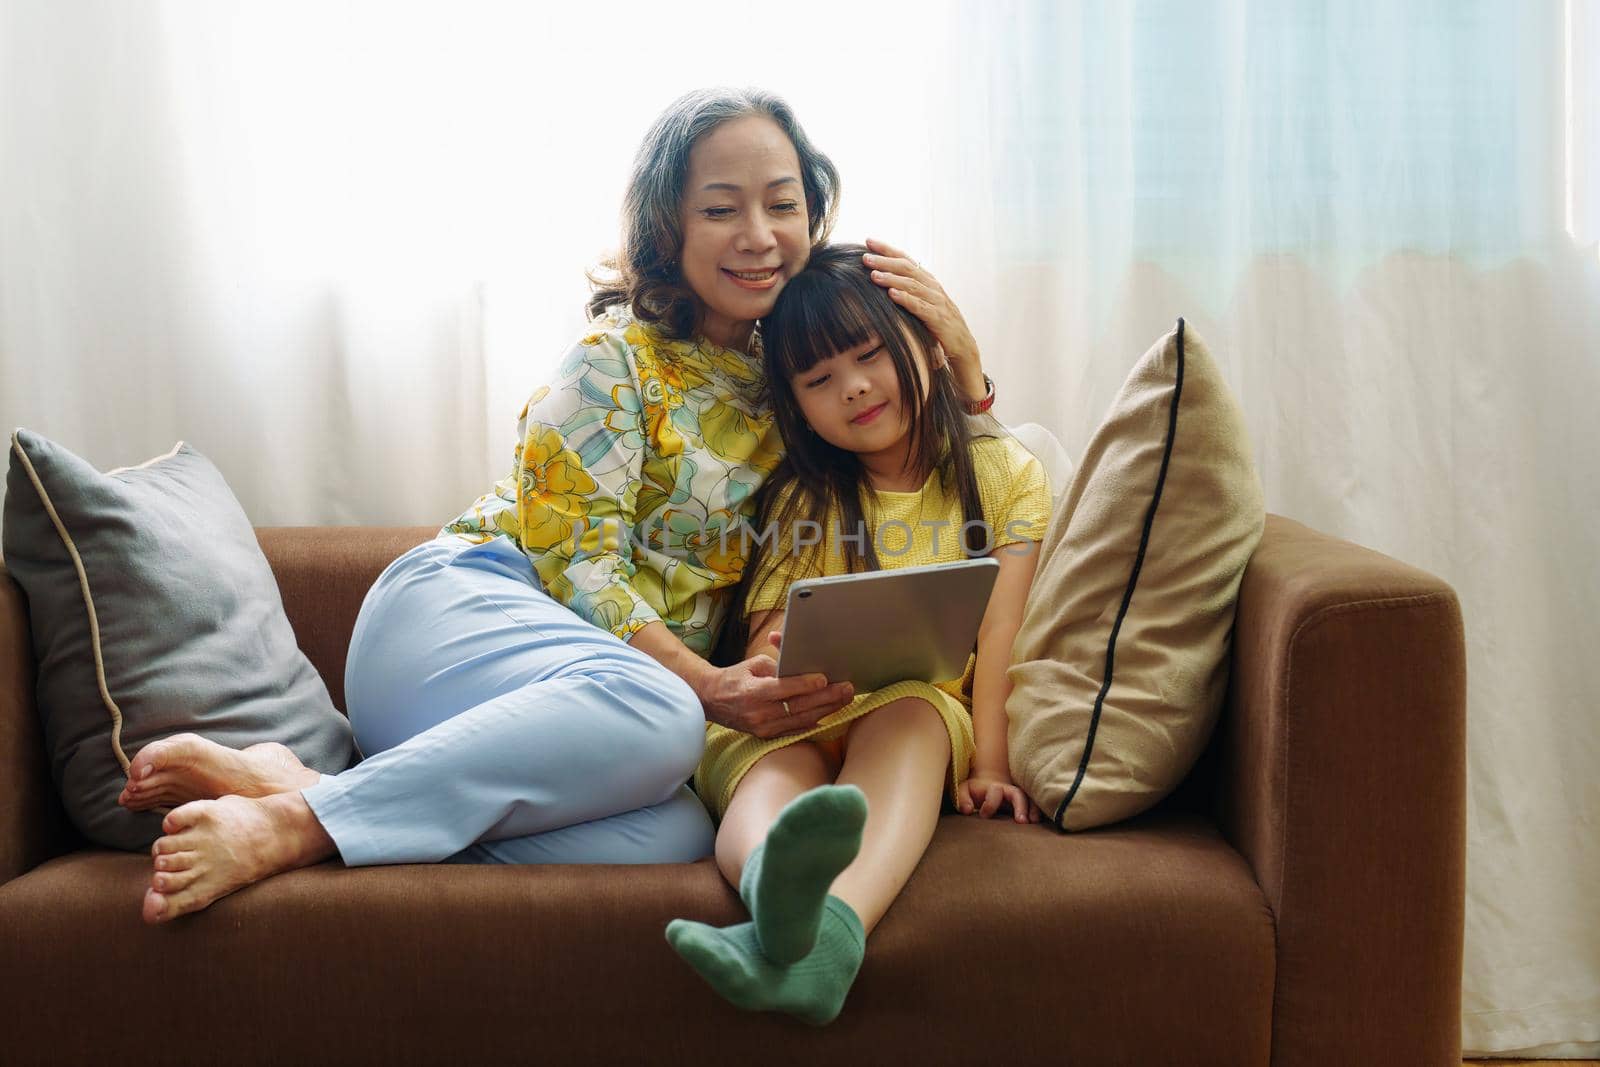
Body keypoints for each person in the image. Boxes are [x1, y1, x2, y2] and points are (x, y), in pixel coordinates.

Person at [114, 87, 997, 924]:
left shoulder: (800, 382)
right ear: (668, 229)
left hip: (584, 708)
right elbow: (580, 565)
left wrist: (962, 363)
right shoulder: (612, 361)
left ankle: (308, 789)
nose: (759, 234)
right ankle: (291, 827)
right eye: (722, 208)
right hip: (462, 616)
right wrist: (707, 685)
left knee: (674, 834)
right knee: (665, 718)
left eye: (784, 204)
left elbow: (933, 474)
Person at [662, 243, 1048, 1026]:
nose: (856, 387)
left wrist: (996, 767)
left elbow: (1002, 629)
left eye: (871, 354)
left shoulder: (1004, 473)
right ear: (796, 406)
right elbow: (772, 628)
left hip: (908, 714)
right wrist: (770, 657)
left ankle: (829, 938)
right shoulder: (806, 493)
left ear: (931, 347)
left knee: (913, 708)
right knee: (771, 769)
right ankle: (778, 886)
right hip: (798, 714)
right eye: (819, 381)